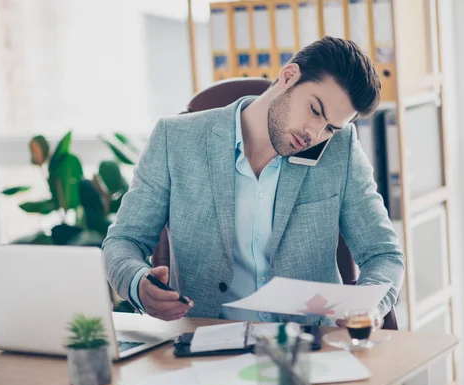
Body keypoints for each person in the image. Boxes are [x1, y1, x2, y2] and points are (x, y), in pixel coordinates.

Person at [103, 36, 405, 328]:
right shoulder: (175, 140)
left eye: (330, 127)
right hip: (205, 345)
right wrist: (138, 284)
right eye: (314, 110)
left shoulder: (340, 149)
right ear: (289, 76)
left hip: (310, 349)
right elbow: (123, 241)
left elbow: (383, 254)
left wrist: (370, 305)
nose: (314, 133)